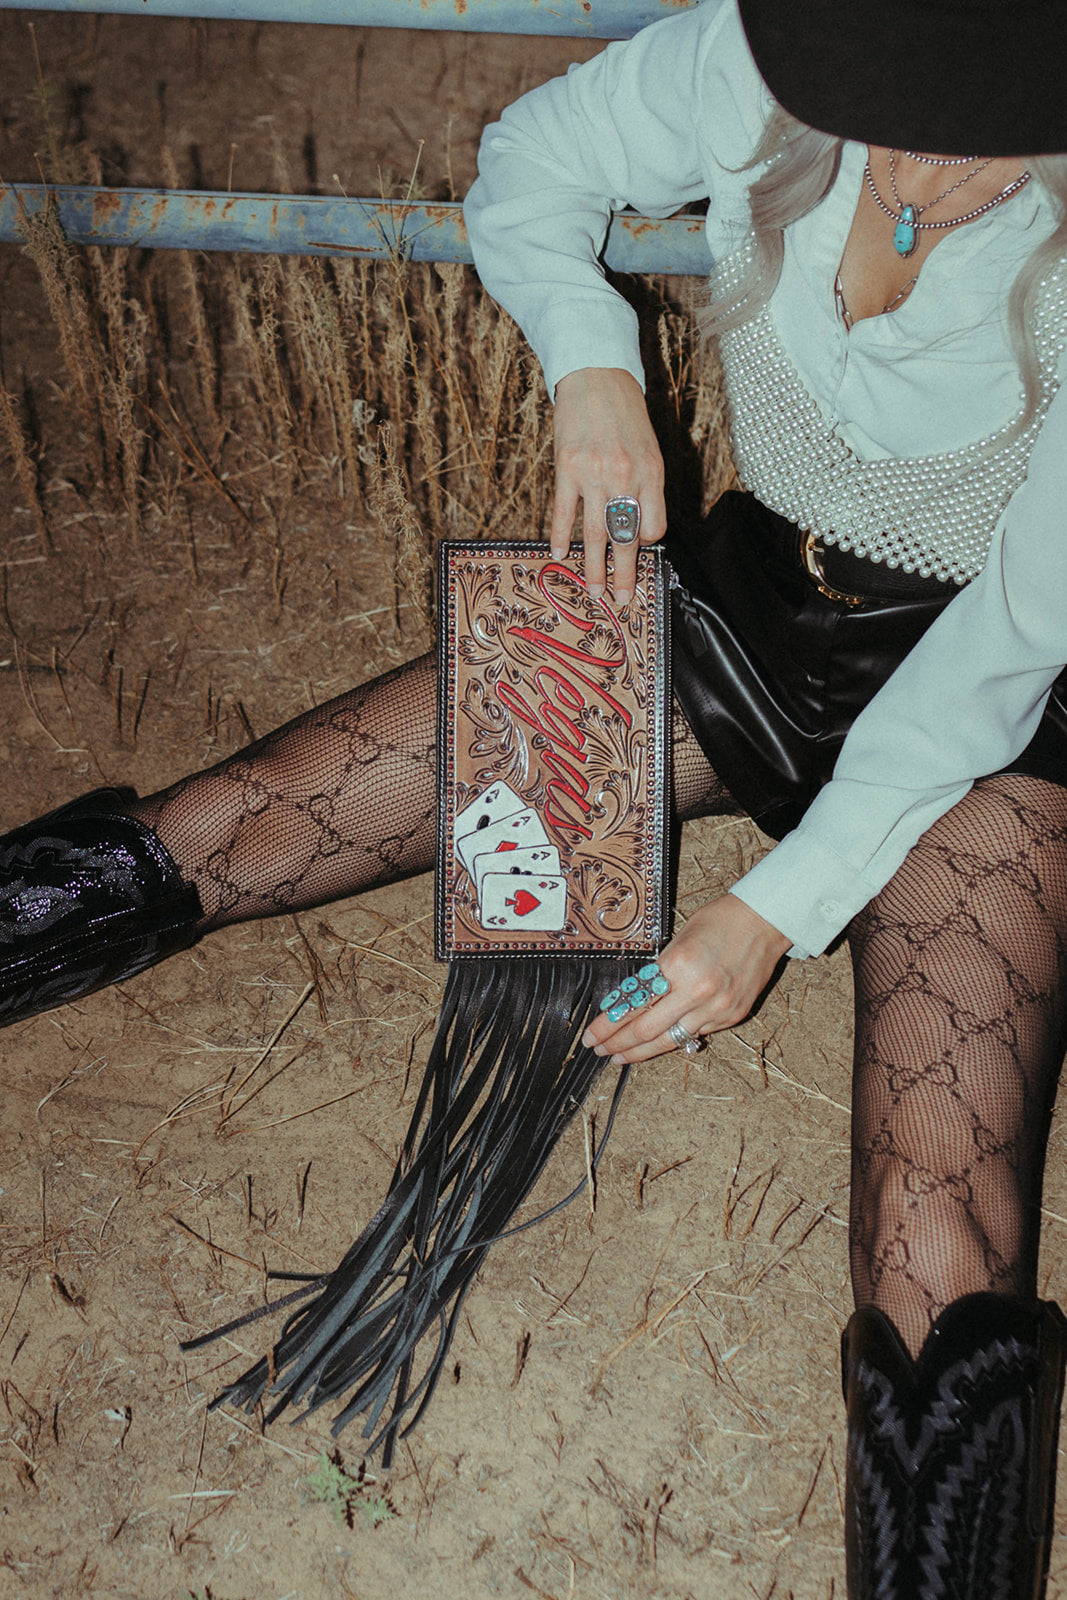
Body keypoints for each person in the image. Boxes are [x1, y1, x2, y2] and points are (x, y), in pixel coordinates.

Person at [2, 0, 1067, 1589]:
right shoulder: (754, 66)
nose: (917, 172)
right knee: (245, 816)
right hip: (750, 615)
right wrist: (590, 365)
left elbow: (1012, 640)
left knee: (939, 1211)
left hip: (998, 712)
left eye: (985, 149)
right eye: (888, 114)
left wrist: (772, 912)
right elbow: (531, 162)